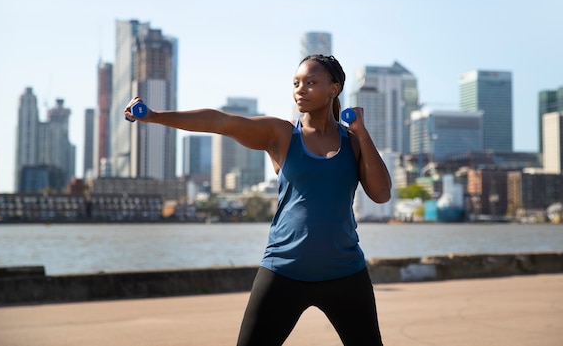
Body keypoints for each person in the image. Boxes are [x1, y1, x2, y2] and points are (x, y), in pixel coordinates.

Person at [124, 54, 392, 345]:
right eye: (296, 83)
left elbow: (381, 194)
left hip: (345, 274)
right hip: (283, 272)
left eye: (311, 82)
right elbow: (219, 121)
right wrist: (153, 116)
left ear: (334, 88)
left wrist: (362, 134)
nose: (300, 89)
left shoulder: (352, 142)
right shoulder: (281, 134)